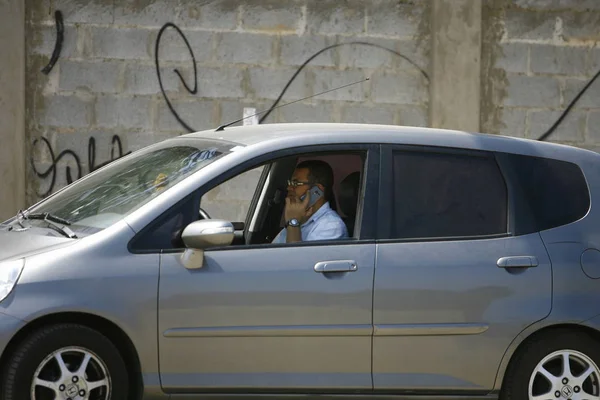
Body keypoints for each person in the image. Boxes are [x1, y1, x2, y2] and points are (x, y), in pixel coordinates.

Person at [272, 160, 348, 244]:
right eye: (290, 182)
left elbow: (295, 256)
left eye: (296, 183)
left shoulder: (331, 226)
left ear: (316, 191)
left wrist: (293, 223)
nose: (289, 188)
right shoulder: (301, 219)